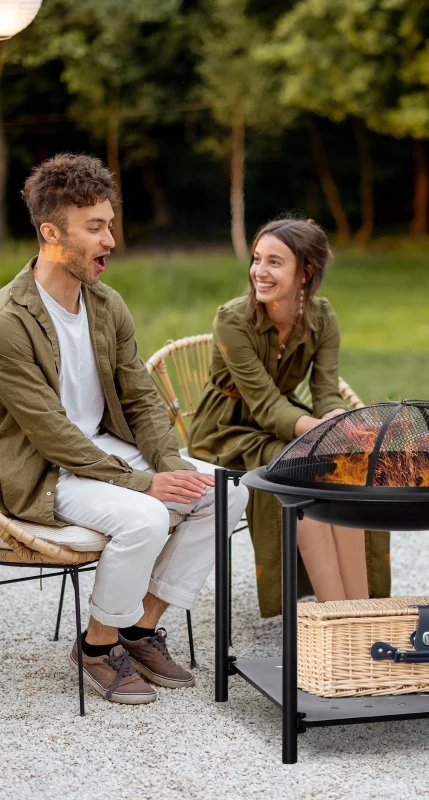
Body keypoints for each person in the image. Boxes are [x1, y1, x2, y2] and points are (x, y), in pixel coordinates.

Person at [0, 153, 249, 705]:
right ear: (50, 233)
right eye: (94, 227)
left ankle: (135, 628)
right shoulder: (9, 321)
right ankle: (95, 647)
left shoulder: (107, 304)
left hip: (105, 452)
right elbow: (50, 434)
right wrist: (144, 485)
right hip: (47, 469)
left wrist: (170, 467)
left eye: (109, 224)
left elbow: (141, 398)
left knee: (228, 492)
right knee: (147, 514)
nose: (110, 238)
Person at [188, 217, 390, 617]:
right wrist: (321, 435)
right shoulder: (232, 320)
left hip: (284, 425)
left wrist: (339, 428)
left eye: (274, 262)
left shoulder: (322, 318)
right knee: (302, 470)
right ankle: (334, 615)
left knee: (347, 467)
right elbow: (263, 404)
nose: (259, 272)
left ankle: (362, 611)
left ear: (306, 272)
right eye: (257, 259)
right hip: (227, 430)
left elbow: (327, 391)